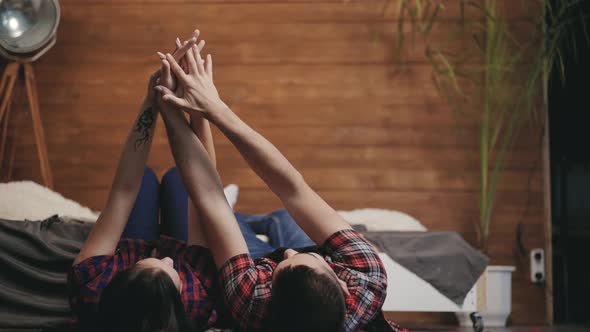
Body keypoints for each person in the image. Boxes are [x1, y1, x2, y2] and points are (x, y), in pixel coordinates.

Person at [155, 30, 407, 332]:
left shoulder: (252, 303)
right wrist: (216, 109)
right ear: (341, 285)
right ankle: (259, 221)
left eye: (283, 265)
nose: (290, 252)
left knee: (176, 185)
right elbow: (293, 189)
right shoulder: (367, 279)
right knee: (287, 217)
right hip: (291, 273)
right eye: (304, 260)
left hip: (258, 263)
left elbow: (210, 200)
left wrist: (167, 105)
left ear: (270, 294)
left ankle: (247, 219)